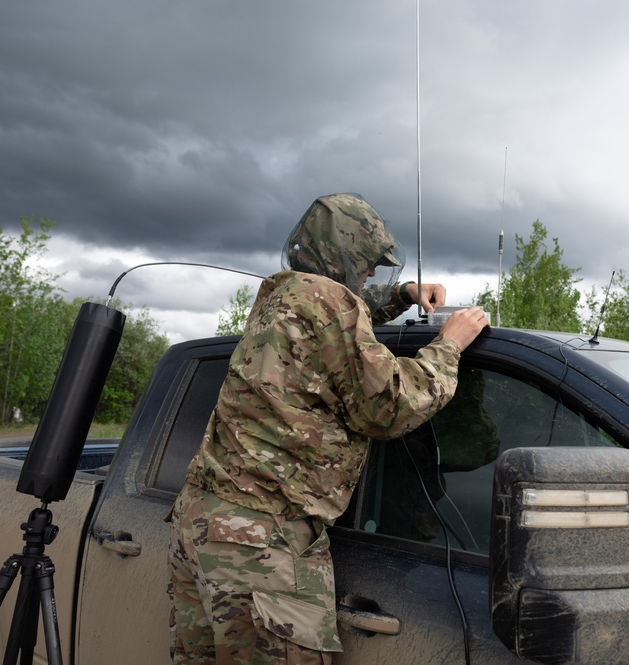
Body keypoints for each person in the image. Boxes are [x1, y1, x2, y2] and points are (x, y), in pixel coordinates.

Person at [168, 192, 488, 665]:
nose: (368, 278)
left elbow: (343, 327)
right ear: (344, 254)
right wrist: (449, 345)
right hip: (260, 541)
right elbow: (390, 407)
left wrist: (404, 295)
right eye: (367, 266)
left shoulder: (282, 295)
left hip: (203, 523)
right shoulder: (327, 301)